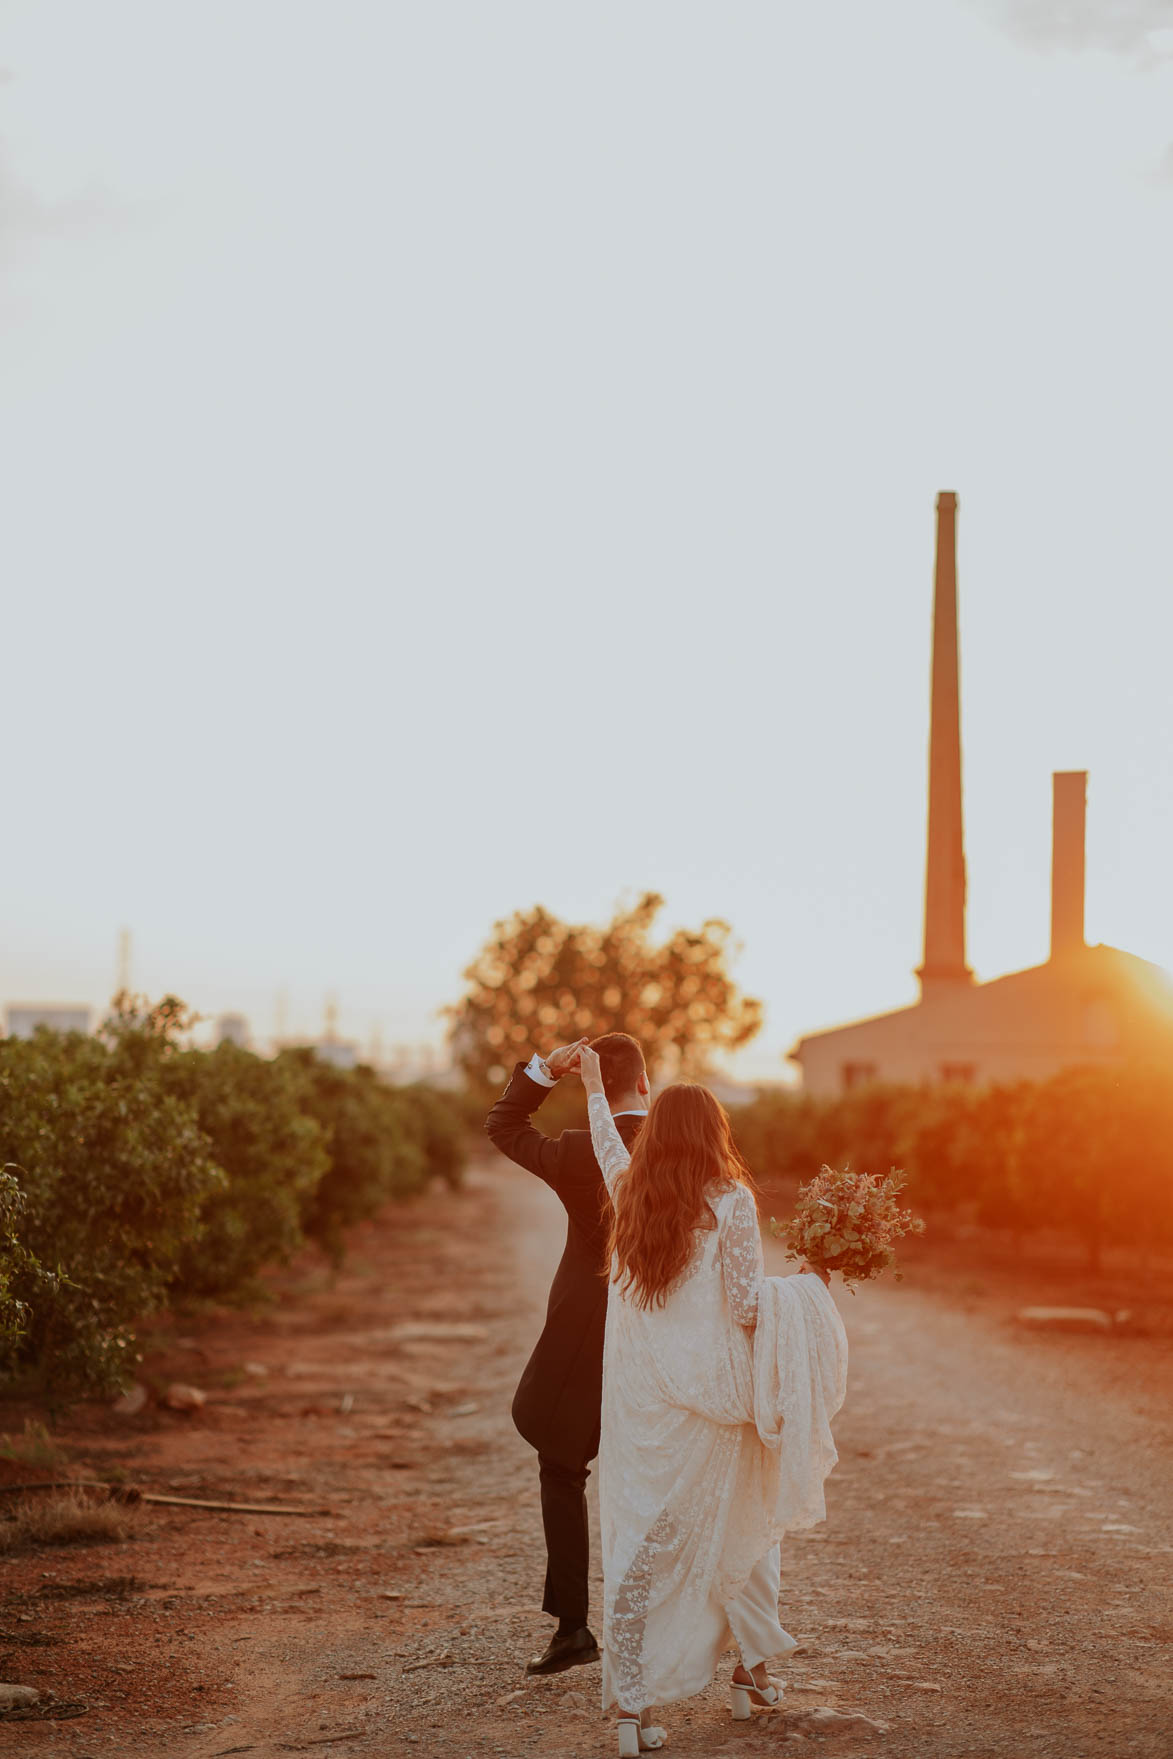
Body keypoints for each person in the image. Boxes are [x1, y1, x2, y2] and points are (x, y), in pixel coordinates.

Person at [574, 1044, 848, 1757]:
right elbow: (749, 1304)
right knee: (748, 1525)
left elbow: (606, 1138)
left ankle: (632, 1711)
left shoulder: (629, 1187)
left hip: (642, 1410)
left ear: (657, 1131)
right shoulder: (729, 1200)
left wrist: (591, 1086)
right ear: (712, 1131)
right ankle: (748, 1675)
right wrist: (811, 1285)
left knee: (641, 1547)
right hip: (719, 1397)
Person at [484, 1032, 650, 1677]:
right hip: (666, 1335)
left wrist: (542, 1071)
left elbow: (503, 1124)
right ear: (646, 1079)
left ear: (592, 1085)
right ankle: (677, 1629)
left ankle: (574, 1628)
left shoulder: (581, 1151)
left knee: (561, 1464)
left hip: (590, 1331)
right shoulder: (684, 1149)